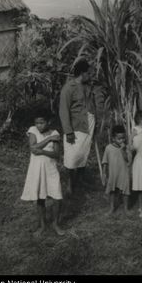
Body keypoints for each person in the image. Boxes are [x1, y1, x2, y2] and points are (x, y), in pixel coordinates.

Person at [21, 108, 65, 237]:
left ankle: (55, 223)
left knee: (57, 197)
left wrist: (44, 151)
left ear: (49, 121)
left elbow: (56, 154)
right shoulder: (33, 130)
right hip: (36, 169)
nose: (39, 125)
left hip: (51, 169)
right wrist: (48, 139)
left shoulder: (55, 132)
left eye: (42, 122)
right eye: (37, 123)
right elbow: (33, 148)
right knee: (40, 198)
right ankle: (42, 225)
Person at [59, 59, 97, 195]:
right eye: (88, 73)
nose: (90, 76)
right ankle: (70, 184)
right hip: (76, 126)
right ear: (82, 73)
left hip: (88, 124)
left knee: (83, 153)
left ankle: (80, 180)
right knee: (72, 156)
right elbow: (63, 111)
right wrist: (68, 131)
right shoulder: (68, 89)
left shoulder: (87, 86)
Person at [102, 125, 131, 216]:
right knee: (112, 190)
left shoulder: (126, 148)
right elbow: (105, 161)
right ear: (113, 138)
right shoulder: (108, 148)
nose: (122, 140)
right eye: (119, 138)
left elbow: (127, 160)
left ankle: (126, 208)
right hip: (113, 173)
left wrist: (123, 150)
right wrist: (104, 173)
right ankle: (111, 208)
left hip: (124, 173)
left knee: (125, 191)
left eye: (123, 138)